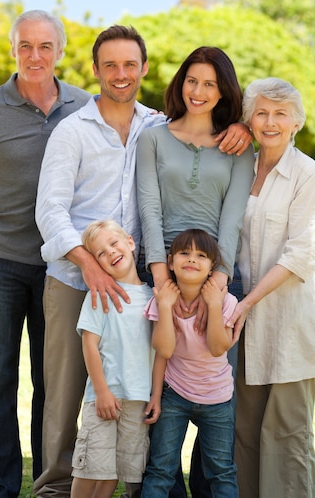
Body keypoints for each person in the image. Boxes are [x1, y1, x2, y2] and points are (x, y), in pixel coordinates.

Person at [34, 27, 251, 497]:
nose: (120, 74)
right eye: (110, 65)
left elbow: (203, 124)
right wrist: (86, 262)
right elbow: (49, 209)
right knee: (70, 393)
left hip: (139, 284)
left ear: (145, 69)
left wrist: (242, 126)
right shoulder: (72, 131)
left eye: (130, 65)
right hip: (77, 279)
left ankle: (136, 487)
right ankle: (55, 488)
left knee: (140, 387)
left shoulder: (155, 125)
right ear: (95, 70)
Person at [0, 10, 90, 497]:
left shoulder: (84, 107)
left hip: (61, 268)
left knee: (53, 385)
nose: (35, 56)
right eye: (25, 45)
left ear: (60, 53)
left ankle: (51, 486)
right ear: (13, 50)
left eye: (45, 46)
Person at [136, 46, 254, 496]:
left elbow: (232, 216)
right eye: (192, 80)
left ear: (223, 90)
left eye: (210, 83)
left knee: (213, 402)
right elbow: (149, 207)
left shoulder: (238, 147)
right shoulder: (154, 138)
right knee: (162, 396)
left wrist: (216, 285)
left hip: (217, 281)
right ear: (180, 83)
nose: (199, 91)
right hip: (160, 277)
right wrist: (161, 276)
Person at [226, 77, 315, 498]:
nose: (270, 121)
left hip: (291, 318)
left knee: (287, 433)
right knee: (244, 430)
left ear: (296, 122)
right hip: (244, 320)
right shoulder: (241, 167)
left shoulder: (306, 173)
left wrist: (245, 304)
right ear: (249, 119)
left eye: (280, 113)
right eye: (261, 112)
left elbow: (301, 255)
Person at [141, 228, 239, 498]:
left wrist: (214, 305)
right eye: (184, 253)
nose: (192, 259)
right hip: (175, 396)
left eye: (201, 255)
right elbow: (164, 350)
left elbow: (220, 348)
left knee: (221, 471)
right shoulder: (163, 301)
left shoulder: (226, 301)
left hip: (217, 400)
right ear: (170, 262)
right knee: (160, 469)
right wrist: (157, 397)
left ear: (211, 268)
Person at [71, 219, 161, 498]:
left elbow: (160, 352)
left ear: (131, 243)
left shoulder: (153, 298)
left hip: (137, 401)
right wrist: (101, 392)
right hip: (104, 398)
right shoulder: (101, 296)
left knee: (113, 474)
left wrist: (155, 396)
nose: (110, 252)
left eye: (114, 243)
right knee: (92, 470)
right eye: (100, 253)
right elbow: (89, 344)